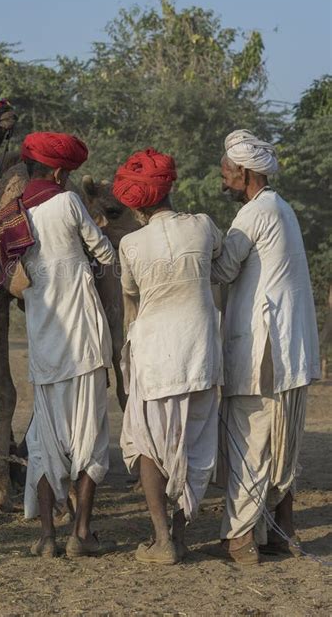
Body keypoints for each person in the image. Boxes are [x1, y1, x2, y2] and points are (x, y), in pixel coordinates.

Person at [212, 129, 320, 565]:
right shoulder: (283, 209)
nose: (221, 179)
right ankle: (282, 533)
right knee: (279, 445)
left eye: (225, 171)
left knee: (250, 443)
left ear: (244, 172)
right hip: (288, 351)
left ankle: (240, 539)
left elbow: (221, 270)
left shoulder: (254, 214)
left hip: (262, 352)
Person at [113, 148, 223, 565]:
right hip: (201, 354)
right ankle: (181, 536)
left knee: (147, 444)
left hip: (155, 355)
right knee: (193, 445)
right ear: (170, 189)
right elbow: (220, 264)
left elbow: (131, 295)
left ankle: (162, 541)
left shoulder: (131, 244)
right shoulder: (203, 226)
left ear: (137, 205)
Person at [16, 131, 116, 559]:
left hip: (43, 342)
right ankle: (82, 533)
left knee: (44, 438)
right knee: (89, 435)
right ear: (58, 171)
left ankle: (46, 538)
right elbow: (105, 253)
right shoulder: (69, 202)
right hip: (85, 342)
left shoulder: (15, 212)